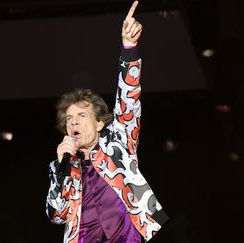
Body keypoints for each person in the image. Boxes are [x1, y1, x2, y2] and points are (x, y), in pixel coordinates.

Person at [45, 1, 168, 242]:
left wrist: (129, 48)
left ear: (100, 123)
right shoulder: (61, 165)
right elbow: (56, 215)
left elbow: (128, 100)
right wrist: (61, 170)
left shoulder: (119, 142)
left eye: (82, 115)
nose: (74, 123)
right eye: (69, 118)